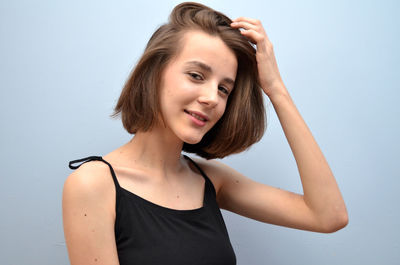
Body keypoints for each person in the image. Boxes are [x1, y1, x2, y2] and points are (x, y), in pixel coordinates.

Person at [62, 2, 348, 265]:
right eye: (197, 76)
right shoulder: (93, 185)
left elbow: (328, 215)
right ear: (154, 72)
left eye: (224, 89)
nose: (212, 98)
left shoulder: (211, 180)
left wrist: (276, 90)